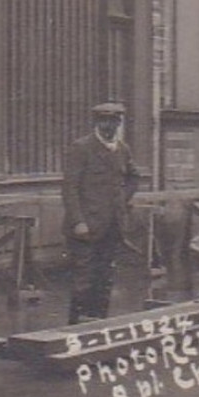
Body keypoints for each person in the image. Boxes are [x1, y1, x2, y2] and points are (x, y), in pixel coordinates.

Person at [62, 100, 142, 325]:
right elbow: (70, 188)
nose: (109, 127)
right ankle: (75, 329)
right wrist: (78, 221)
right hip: (86, 227)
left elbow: (134, 177)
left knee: (105, 278)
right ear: (97, 123)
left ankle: (98, 326)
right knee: (83, 279)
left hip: (112, 226)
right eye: (105, 122)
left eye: (114, 122)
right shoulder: (82, 147)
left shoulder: (122, 149)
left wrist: (121, 200)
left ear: (119, 124)